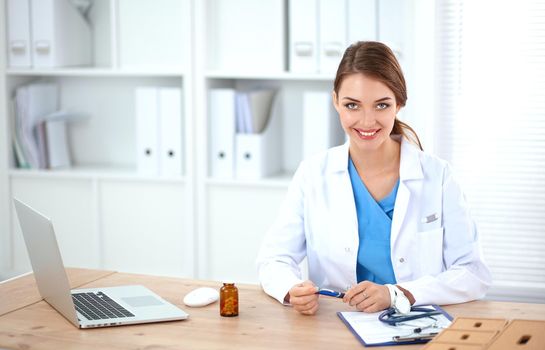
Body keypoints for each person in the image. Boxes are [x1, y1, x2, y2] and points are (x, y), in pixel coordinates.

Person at [256, 41, 491, 315]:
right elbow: (274, 259)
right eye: (352, 105)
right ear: (336, 102)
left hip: (416, 325)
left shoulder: (438, 177)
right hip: (335, 325)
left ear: (399, 103)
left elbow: (473, 273)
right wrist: (291, 288)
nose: (367, 121)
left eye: (381, 105)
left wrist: (397, 293)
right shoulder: (313, 174)